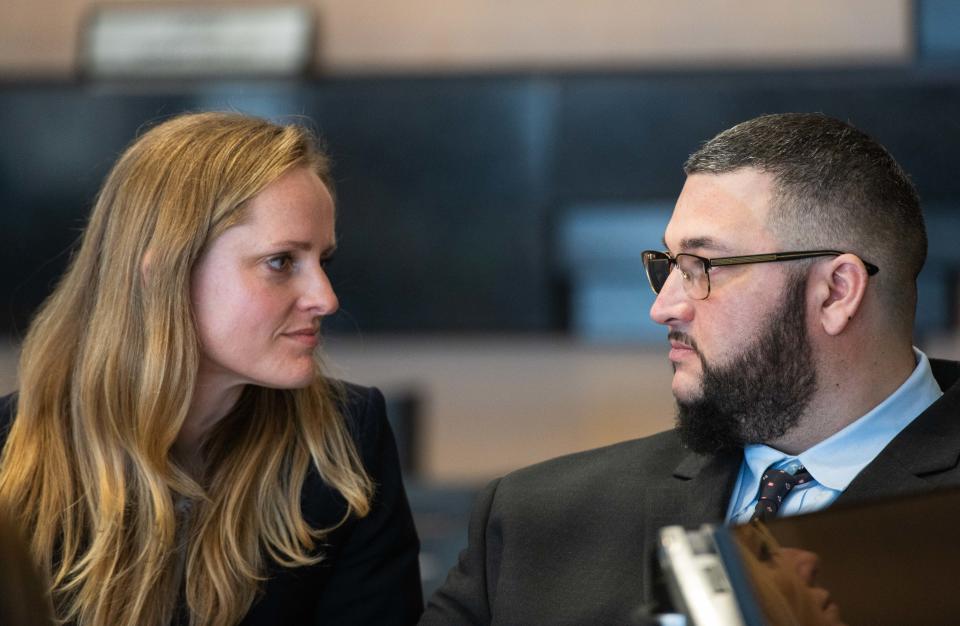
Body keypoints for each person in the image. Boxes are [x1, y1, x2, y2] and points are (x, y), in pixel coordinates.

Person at [420, 112, 960, 624]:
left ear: (836, 291)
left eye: (705, 266)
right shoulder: (536, 518)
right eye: (670, 266)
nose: (663, 307)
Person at [0, 112, 423, 626]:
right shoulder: (11, 456)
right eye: (281, 262)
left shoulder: (346, 439)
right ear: (164, 275)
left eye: (323, 261)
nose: (326, 299)